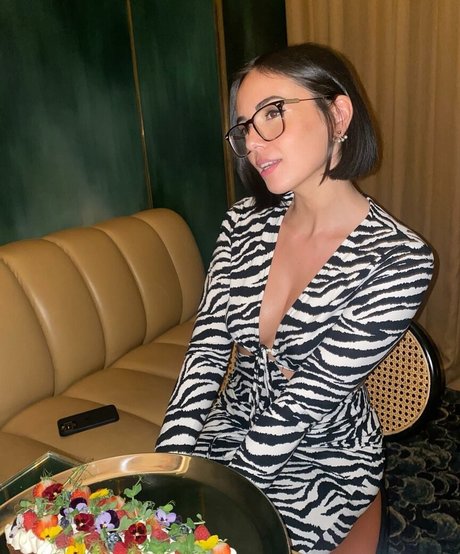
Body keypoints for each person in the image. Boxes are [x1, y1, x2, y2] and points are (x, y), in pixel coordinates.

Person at [155, 42, 434, 553]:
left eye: (273, 113)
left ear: (338, 114)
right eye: (244, 127)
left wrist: (220, 505)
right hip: (230, 423)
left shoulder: (401, 259)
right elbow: (206, 354)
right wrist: (166, 468)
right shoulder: (242, 223)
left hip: (323, 454)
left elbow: (306, 402)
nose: (253, 142)